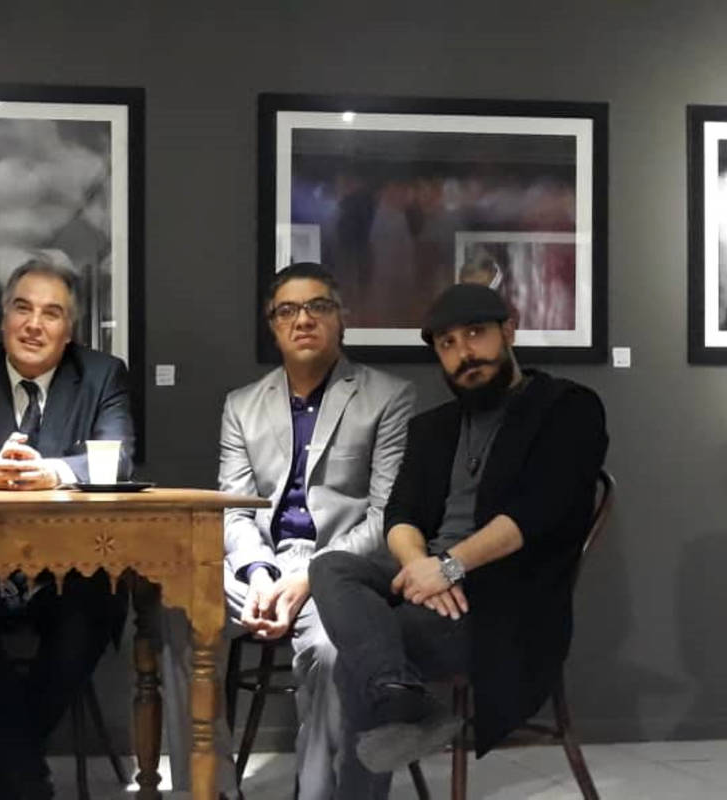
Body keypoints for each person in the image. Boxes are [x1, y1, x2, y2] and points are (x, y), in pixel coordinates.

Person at [309, 283, 608, 774]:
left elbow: (538, 512)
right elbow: (400, 515)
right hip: (430, 582)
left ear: (509, 331)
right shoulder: (434, 427)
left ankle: (396, 702)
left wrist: (450, 567)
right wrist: (422, 567)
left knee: (361, 656)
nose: (464, 353)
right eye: (447, 343)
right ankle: (402, 698)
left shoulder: (567, 408)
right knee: (331, 566)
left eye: (475, 333)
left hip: (501, 603)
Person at [163, 262, 415, 799]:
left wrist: (310, 578)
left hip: (341, 569)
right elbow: (233, 511)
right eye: (287, 310)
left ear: (341, 318)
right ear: (273, 325)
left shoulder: (389, 397)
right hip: (260, 564)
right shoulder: (241, 405)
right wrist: (258, 573)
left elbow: (386, 518)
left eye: (318, 306)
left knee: (333, 649)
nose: (303, 319)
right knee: (180, 612)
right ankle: (209, 788)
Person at [0, 257, 135, 800]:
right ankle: (25, 776)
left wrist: (53, 471)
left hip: (69, 569)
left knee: (91, 611)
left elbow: (119, 459)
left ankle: (3, 774)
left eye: (51, 313)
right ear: (3, 320)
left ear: (69, 331)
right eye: (23, 308)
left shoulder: (103, 375)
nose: (34, 324)